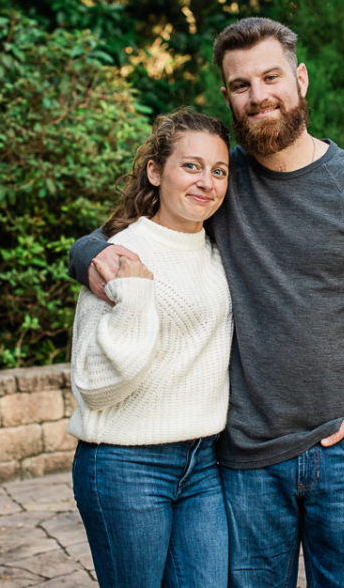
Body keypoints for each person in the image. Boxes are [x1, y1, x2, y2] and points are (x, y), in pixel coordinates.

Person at [69, 17, 344, 587]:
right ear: (227, 95)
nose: (258, 96)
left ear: (300, 79)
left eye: (270, 77)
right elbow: (116, 236)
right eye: (241, 85)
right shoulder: (221, 183)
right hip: (245, 461)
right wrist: (87, 258)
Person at [66, 108, 234, 587]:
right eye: (191, 166)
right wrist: (135, 298)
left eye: (218, 171)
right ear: (155, 172)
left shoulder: (219, 249)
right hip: (125, 463)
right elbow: (94, 387)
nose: (206, 182)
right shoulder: (120, 255)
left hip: (202, 461)